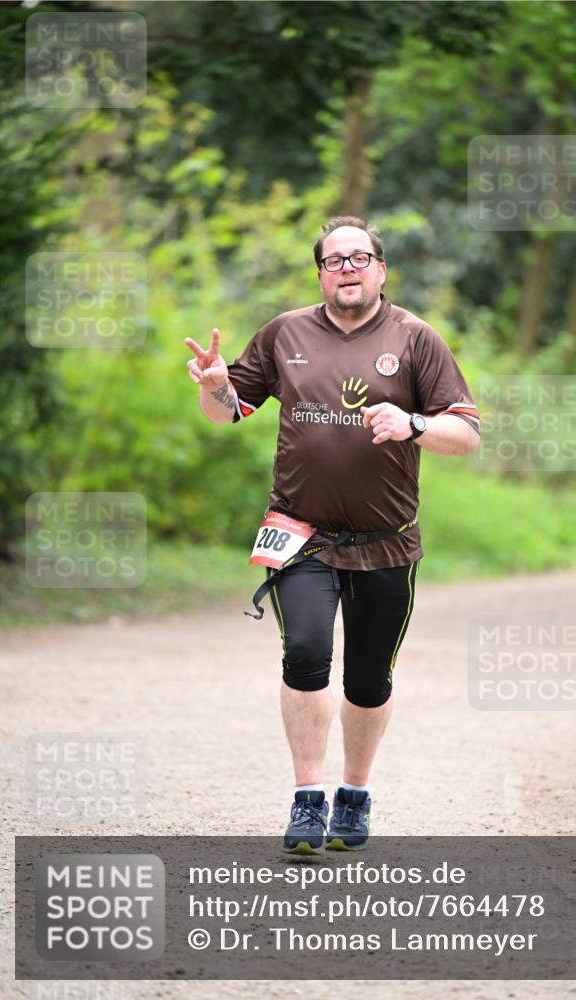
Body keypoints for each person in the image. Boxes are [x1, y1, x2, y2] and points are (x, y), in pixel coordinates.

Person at [185, 216, 480, 854]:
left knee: (368, 679)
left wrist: (414, 424)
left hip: (387, 541)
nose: (347, 267)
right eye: (334, 259)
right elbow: (228, 411)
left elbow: (465, 434)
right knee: (305, 653)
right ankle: (307, 798)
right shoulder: (285, 333)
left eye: (359, 257)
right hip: (300, 535)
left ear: (380, 269)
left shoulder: (416, 338)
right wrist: (215, 388)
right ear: (320, 273)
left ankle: (354, 794)